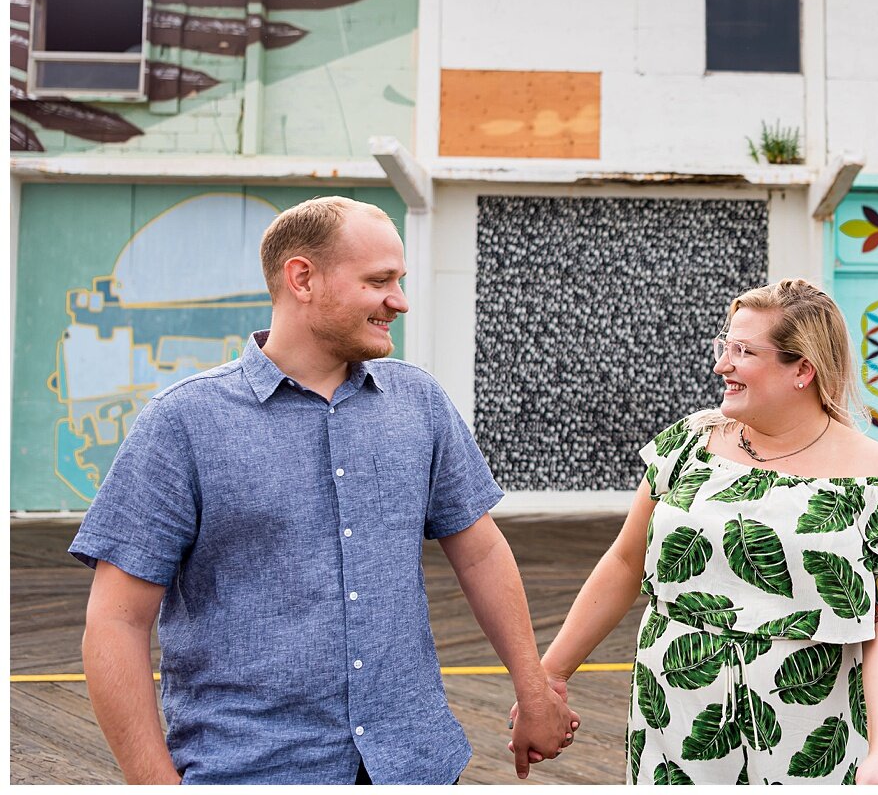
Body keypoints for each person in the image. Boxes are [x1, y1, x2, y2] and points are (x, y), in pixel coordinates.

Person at [70, 196, 578, 784]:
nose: (400, 301)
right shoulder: (183, 422)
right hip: (253, 769)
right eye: (379, 280)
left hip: (414, 763)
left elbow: (481, 551)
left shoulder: (419, 402)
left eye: (400, 280)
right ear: (302, 278)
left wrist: (534, 690)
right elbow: (115, 622)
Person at [519, 278, 878, 784]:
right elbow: (626, 562)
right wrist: (550, 677)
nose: (721, 365)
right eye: (724, 345)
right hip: (676, 712)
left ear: (802, 368)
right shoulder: (689, 443)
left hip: (806, 724)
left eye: (743, 351)